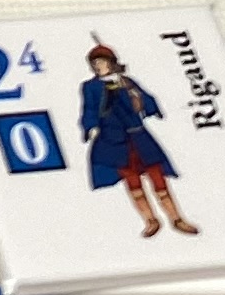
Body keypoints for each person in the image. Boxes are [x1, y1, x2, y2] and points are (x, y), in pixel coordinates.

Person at [79, 42, 198, 238]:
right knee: (132, 181)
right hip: (113, 139)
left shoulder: (126, 82)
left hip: (137, 135)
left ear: (111, 63)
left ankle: (176, 219)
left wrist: (136, 97)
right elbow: (90, 109)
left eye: (101, 62)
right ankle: (150, 220)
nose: (98, 66)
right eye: (95, 63)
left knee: (157, 176)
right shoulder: (90, 87)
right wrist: (91, 126)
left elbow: (144, 101)